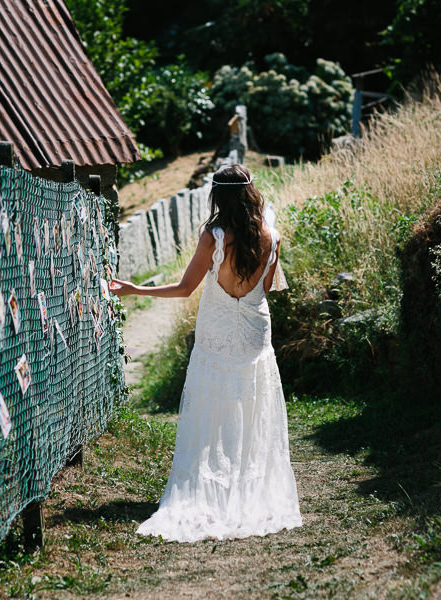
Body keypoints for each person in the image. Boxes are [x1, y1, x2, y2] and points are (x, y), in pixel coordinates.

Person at [110, 164, 302, 542]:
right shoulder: (272, 236)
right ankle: (248, 489)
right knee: (252, 403)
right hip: (254, 329)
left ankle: (213, 485)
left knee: (212, 405)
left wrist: (135, 290)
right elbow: (266, 287)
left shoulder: (213, 236)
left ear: (218, 195)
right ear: (250, 194)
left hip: (216, 329)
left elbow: (184, 289)